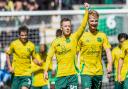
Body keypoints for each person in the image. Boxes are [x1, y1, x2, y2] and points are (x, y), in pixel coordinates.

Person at [44, 3, 89, 89]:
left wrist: (86, 10)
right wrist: (45, 70)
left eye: (69, 26)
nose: (68, 28)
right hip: (60, 76)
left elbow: (83, 26)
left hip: (72, 76)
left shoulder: (74, 37)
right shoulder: (55, 42)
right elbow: (49, 57)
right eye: (65, 26)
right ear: (61, 28)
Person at [78, 10, 112, 89]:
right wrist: (76, 65)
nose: (94, 23)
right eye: (92, 21)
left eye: (96, 21)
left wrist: (109, 64)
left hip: (98, 71)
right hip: (85, 71)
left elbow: (108, 51)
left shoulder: (102, 35)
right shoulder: (82, 36)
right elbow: (76, 52)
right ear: (87, 21)